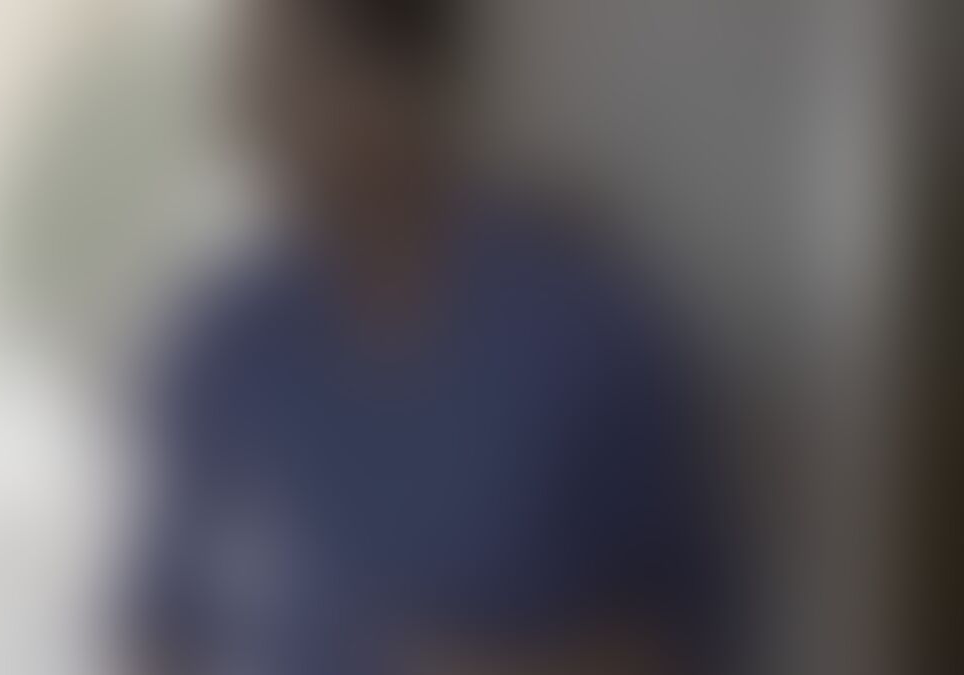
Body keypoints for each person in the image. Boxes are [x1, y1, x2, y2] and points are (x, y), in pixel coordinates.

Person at [130, 1, 732, 673]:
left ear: (403, 89)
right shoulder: (230, 340)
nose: (258, 119)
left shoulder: (581, 329)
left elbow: (683, 634)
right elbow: (165, 617)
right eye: (251, 84)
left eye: (295, 79)